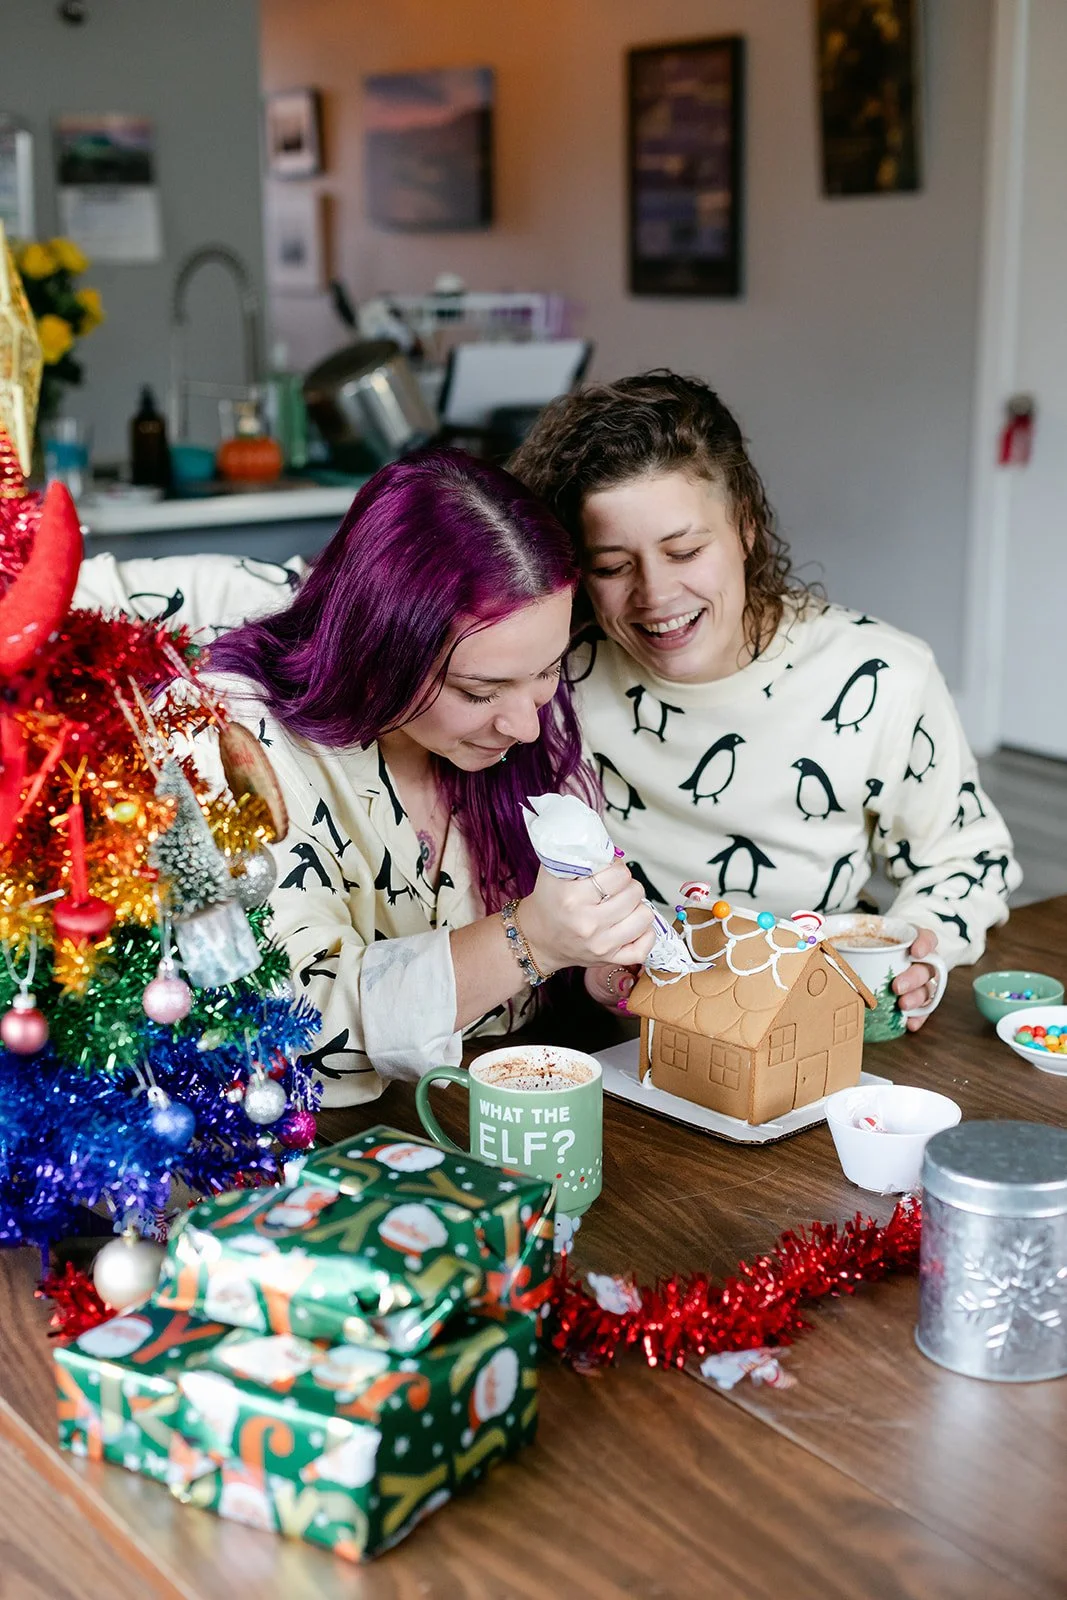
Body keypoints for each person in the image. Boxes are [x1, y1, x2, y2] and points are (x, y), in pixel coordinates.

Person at [76, 449, 655, 1103]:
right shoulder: (233, 744)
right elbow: (291, 1028)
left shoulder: (514, 709)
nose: (526, 726)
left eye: (548, 669)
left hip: (489, 1117)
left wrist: (590, 967)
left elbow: (526, 992)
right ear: (377, 652)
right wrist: (530, 941)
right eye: (478, 690)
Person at [510, 372, 1020, 1028]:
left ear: (746, 528)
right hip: (620, 1031)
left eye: (685, 551)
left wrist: (923, 945)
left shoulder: (881, 674)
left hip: (818, 1012)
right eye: (612, 566)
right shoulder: (551, 681)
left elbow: (966, 856)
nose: (655, 595)